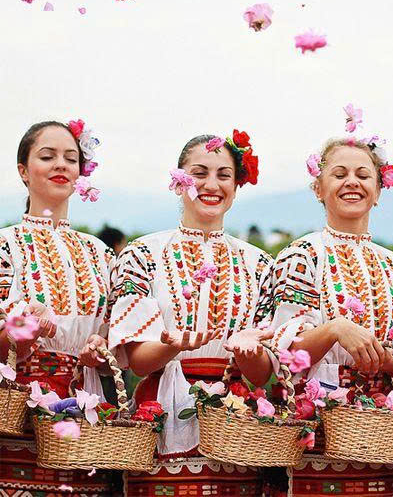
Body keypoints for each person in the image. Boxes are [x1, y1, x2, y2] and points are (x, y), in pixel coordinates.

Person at [268, 137, 393, 497]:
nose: (352, 182)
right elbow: (285, 352)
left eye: (363, 175)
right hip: (314, 433)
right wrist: (334, 329)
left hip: (383, 437)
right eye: (339, 174)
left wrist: (387, 362)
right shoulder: (301, 256)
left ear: (378, 191)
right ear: (318, 188)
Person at [108, 130, 274, 496]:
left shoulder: (260, 264)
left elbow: (262, 375)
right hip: (160, 415)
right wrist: (174, 345)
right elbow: (138, 363)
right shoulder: (143, 254)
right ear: (179, 180)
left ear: (237, 185)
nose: (211, 184)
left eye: (223, 175)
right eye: (199, 173)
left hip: (233, 422)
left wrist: (248, 352)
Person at [0, 119, 117, 495]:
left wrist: (101, 349)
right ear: (23, 170)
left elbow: (117, 342)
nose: (61, 165)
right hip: (13, 413)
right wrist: (19, 333)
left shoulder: (100, 254)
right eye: (47, 156)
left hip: (84, 415)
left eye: (70, 157)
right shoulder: (5, 246)